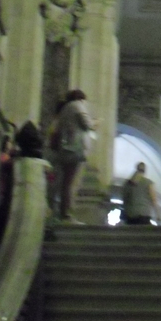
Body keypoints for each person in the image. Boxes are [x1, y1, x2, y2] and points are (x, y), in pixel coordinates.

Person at [51, 89, 96, 224]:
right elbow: (87, 124)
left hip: (65, 149)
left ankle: (63, 213)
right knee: (71, 184)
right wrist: (96, 122)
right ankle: (68, 215)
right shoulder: (77, 105)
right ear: (81, 98)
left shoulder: (65, 109)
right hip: (75, 150)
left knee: (65, 183)